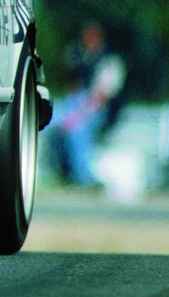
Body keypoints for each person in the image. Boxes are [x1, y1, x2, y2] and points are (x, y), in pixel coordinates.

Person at [48, 23, 127, 187]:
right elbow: (71, 84)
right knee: (50, 123)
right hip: (76, 103)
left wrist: (78, 114)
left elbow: (102, 96)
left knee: (78, 131)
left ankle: (84, 177)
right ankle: (56, 172)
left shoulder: (110, 60)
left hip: (98, 109)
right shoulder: (77, 54)